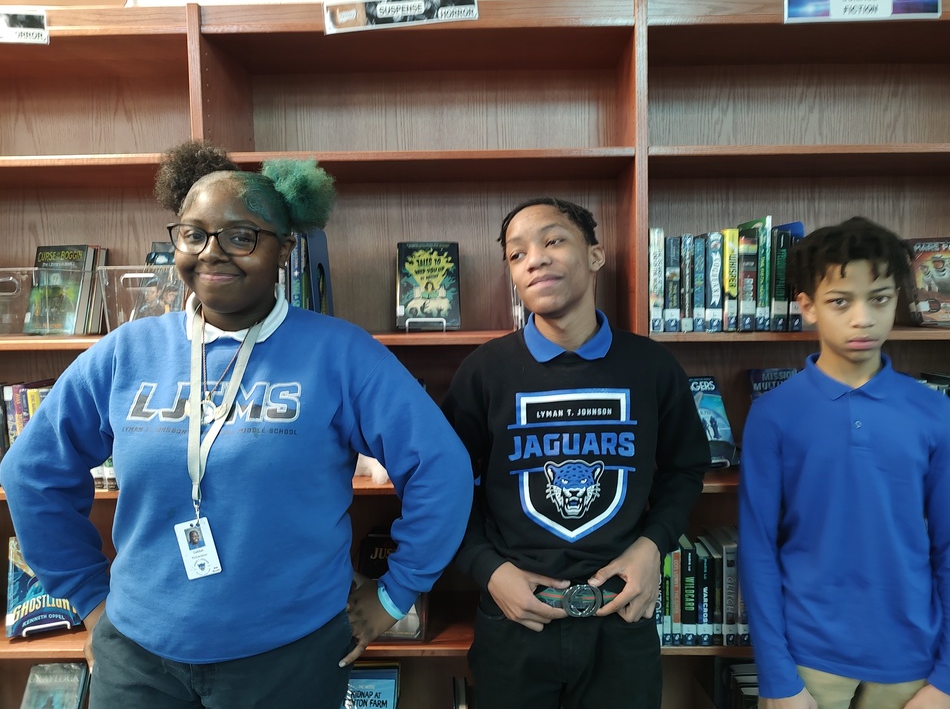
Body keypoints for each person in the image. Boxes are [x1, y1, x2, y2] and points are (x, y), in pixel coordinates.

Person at [0, 141, 473, 708]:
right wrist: (88, 597)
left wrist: (398, 594)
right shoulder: (126, 352)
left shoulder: (341, 354)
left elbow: (441, 469)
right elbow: (31, 473)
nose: (211, 253)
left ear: (284, 250)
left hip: (289, 658)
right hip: (139, 661)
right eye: (193, 234)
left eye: (241, 236)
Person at [441, 197, 711, 709]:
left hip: (621, 619)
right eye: (516, 255)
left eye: (553, 240)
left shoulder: (652, 367)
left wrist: (654, 545)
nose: (534, 259)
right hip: (514, 620)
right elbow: (445, 485)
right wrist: (487, 569)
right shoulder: (484, 372)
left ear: (595, 255)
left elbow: (685, 468)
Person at [738, 216, 950, 709]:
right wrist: (778, 679)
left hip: (913, 660)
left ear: (898, 301)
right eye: (840, 301)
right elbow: (757, 549)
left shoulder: (933, 412)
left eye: (880, 298)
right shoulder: (773, 415)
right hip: (807, 660)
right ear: (807, 307)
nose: (863, 318)